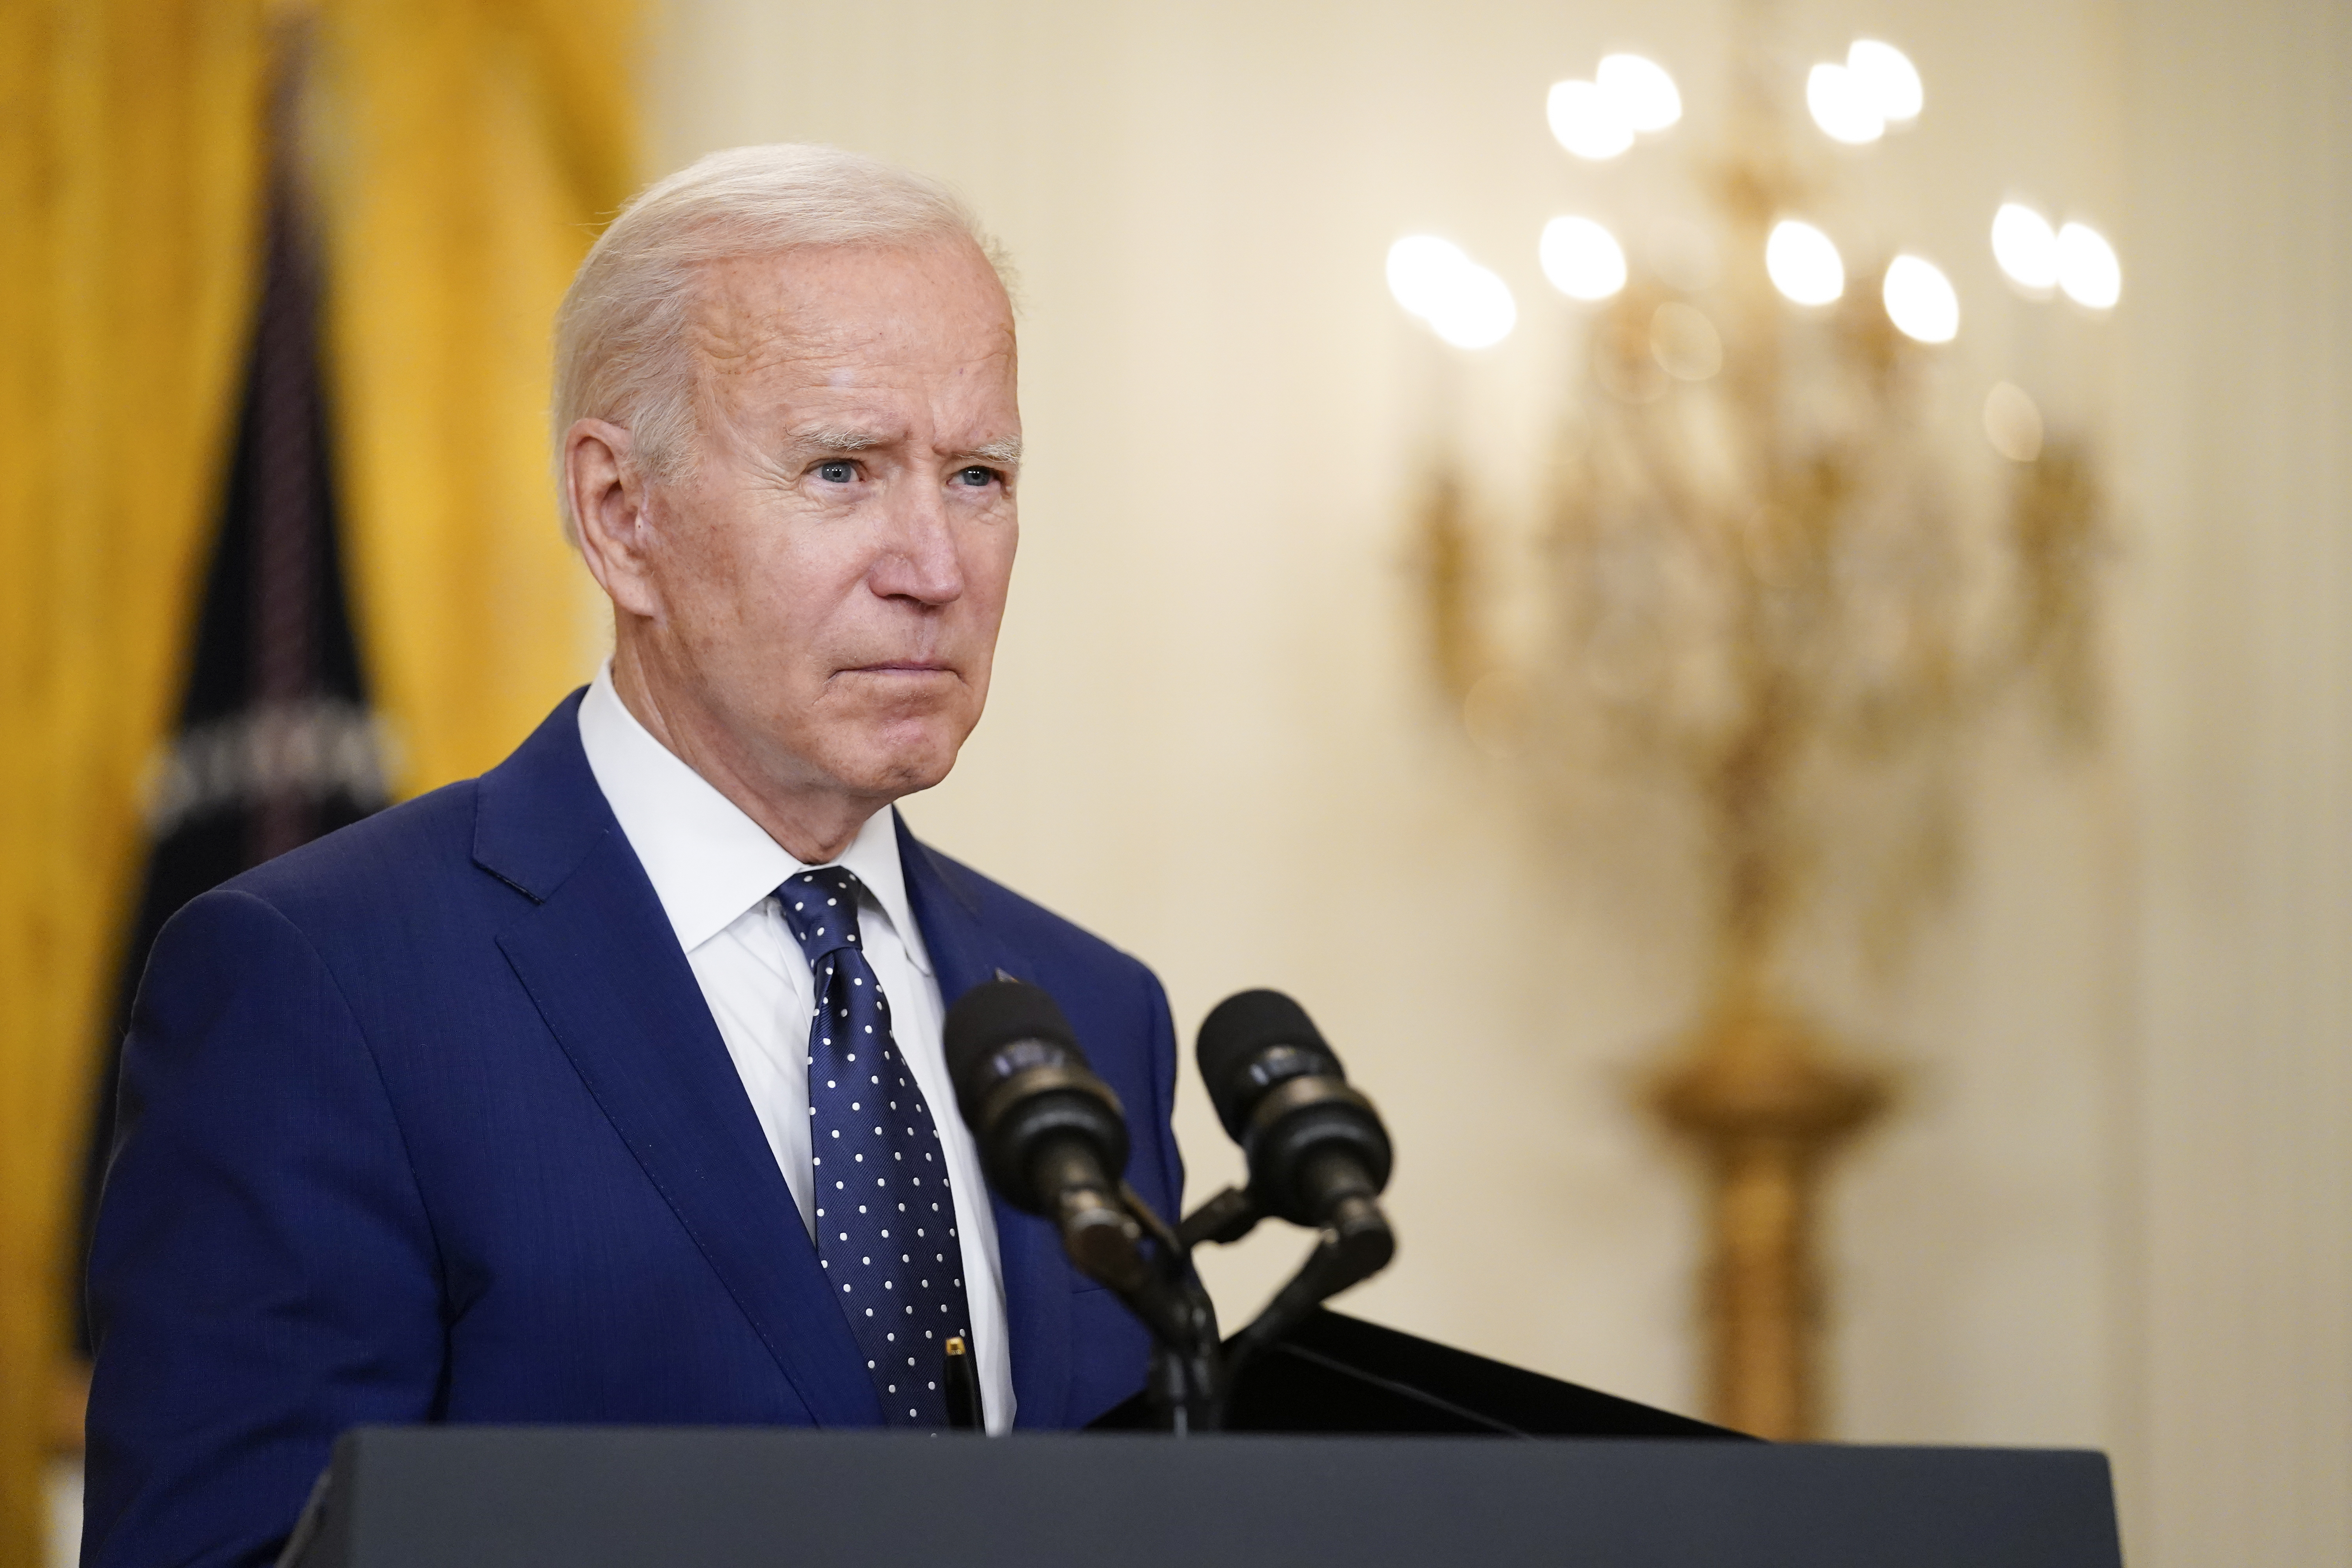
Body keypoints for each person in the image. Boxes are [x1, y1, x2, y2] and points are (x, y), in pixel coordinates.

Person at [82, 144, 1183, 1568]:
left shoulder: (1097, 1020)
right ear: (621, 515)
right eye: (841, 470)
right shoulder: (320, 988)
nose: (935, 563)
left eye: (978, 475)